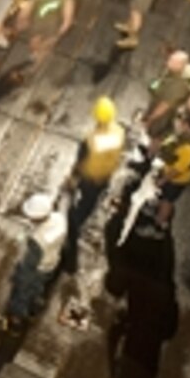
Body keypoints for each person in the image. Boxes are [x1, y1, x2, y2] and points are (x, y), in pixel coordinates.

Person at [0, 193, 68, 336]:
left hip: (35, 269)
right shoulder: (59, 219)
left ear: (38, 217)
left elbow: (28, 268)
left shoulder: (38, 241)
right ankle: (33, 306)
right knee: (37, 289)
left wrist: (19, 279)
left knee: (21, 295)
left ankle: (14, 323)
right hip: (50, 264)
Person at [64, 97, 126, 273]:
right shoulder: (119, 132)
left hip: (90, 177)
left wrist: (72, 178)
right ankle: (84, 213)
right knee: (90, 202)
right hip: (104, 178)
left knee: (74, 215)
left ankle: (71, 255)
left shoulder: (92, 139)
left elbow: (81, 160)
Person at [11, 0, 75, 66]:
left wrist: (62, 29)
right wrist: (21, 22)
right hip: (41, 25)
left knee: (45, 44)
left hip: (53, 27)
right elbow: (27, 9)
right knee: (37, 43)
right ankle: (36, 59)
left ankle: (38, 61)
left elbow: (68, 15)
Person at [152, 115, 190, 229]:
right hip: (169, 174)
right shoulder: (183, 138)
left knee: (167, 201)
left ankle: (159, 224)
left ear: (188, 126)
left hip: (176, 180)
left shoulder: (189, 148)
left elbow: (177, 170)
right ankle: (158, 213)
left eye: (182, 122)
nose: (179, 124)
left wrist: (163, 180)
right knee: (164, 197)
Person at [142, 50, 190, 137]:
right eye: (170, 59)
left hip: (160, 121)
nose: (169, 61)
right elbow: (155, 86)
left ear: (180, 65)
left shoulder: (178, 86)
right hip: (155, 110)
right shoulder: (169, 75)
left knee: (154, 136)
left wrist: (150, 119)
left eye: (173, 60)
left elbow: (165, 105)